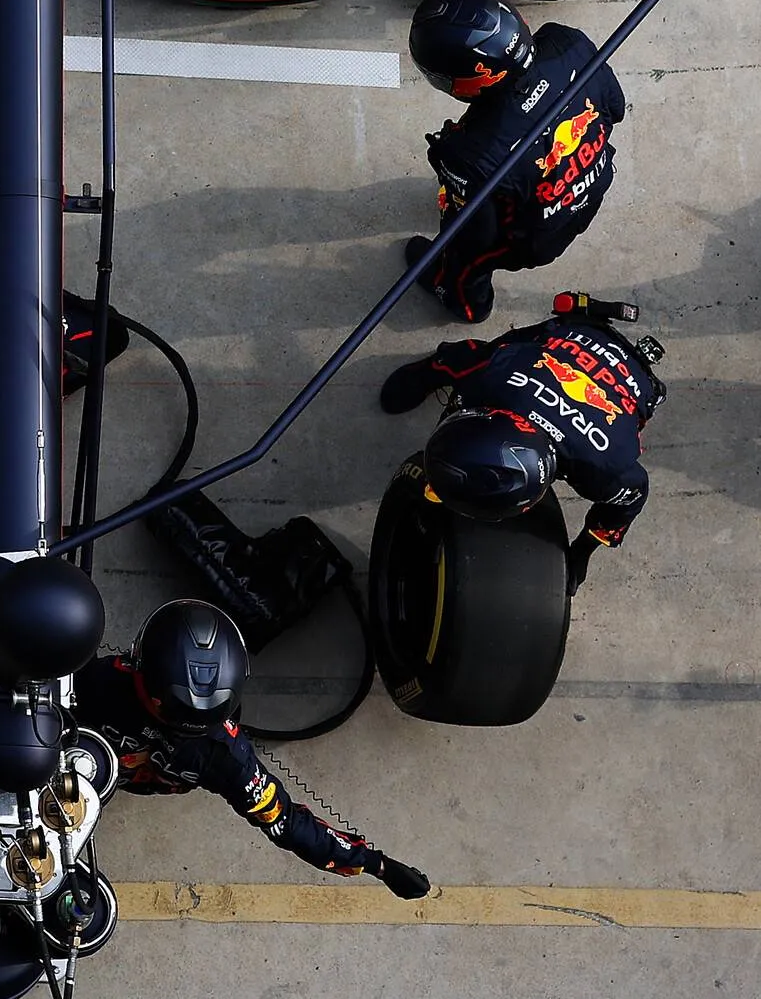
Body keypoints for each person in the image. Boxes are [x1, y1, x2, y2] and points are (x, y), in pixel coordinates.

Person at [76, 603, 434, 897]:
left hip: (99, 777)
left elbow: (288, 824)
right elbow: (289, 825)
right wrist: (376, 864)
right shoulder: (226, 757)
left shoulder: (100, 681)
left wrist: (376, 864)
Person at [377, 292, 664, 590]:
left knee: (498, 355)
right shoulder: (493, 376)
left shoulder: (604, 468)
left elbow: (633, 497)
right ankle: (424, 375)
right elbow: (458, 357)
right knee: (488, 353)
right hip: (573, 339)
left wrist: (584, 549)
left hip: (631, 376)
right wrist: (428, 374)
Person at [402, 0, 624, 323]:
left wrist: (453, 170)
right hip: (594, 186)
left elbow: (477, 235)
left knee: (464, 252)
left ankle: (467, 302)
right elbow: (616, 107)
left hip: (536, 237)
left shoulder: (470, 155)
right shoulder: (568, 42)